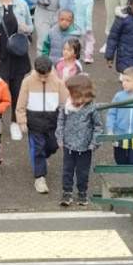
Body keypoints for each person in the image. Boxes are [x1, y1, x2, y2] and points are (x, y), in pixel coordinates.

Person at [17, 55, 65, 194]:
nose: (43, 79)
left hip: (52, 122)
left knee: (52, 146)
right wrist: (22, 120)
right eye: (40, 76)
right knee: (38, 149)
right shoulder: (27, 82)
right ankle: (39, 178)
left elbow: (64, 102)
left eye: (46, 76)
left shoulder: (57, 82)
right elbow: (21, 103)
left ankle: (43, 160)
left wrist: (64, 120)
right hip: (34, 123)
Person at [57, 73, 98, 207]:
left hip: (85, 147)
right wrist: (60, 137)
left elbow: (98, 127)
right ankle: (67, 192)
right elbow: (61, 121)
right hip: (68, 145)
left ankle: (82, 192)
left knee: (83, 171)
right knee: (67, 170)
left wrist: (93, 143)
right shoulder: (67, 106)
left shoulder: (92, 108)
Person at [107, 66, 133, 166]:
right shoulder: (119, 96)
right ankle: (121, 178)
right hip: (120, 134)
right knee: (120, 160)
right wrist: (110, 129)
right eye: (123, 80)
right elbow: (112, 113)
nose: (124, 83)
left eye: (128, 81)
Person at [73, 0, 97, 64]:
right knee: (90, 40)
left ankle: (76, 55)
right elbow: (88, 14)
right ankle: (88, 55)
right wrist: (89, 26)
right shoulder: (89, 1)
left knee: (78, 39)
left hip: (75, 22)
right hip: (84, 23)